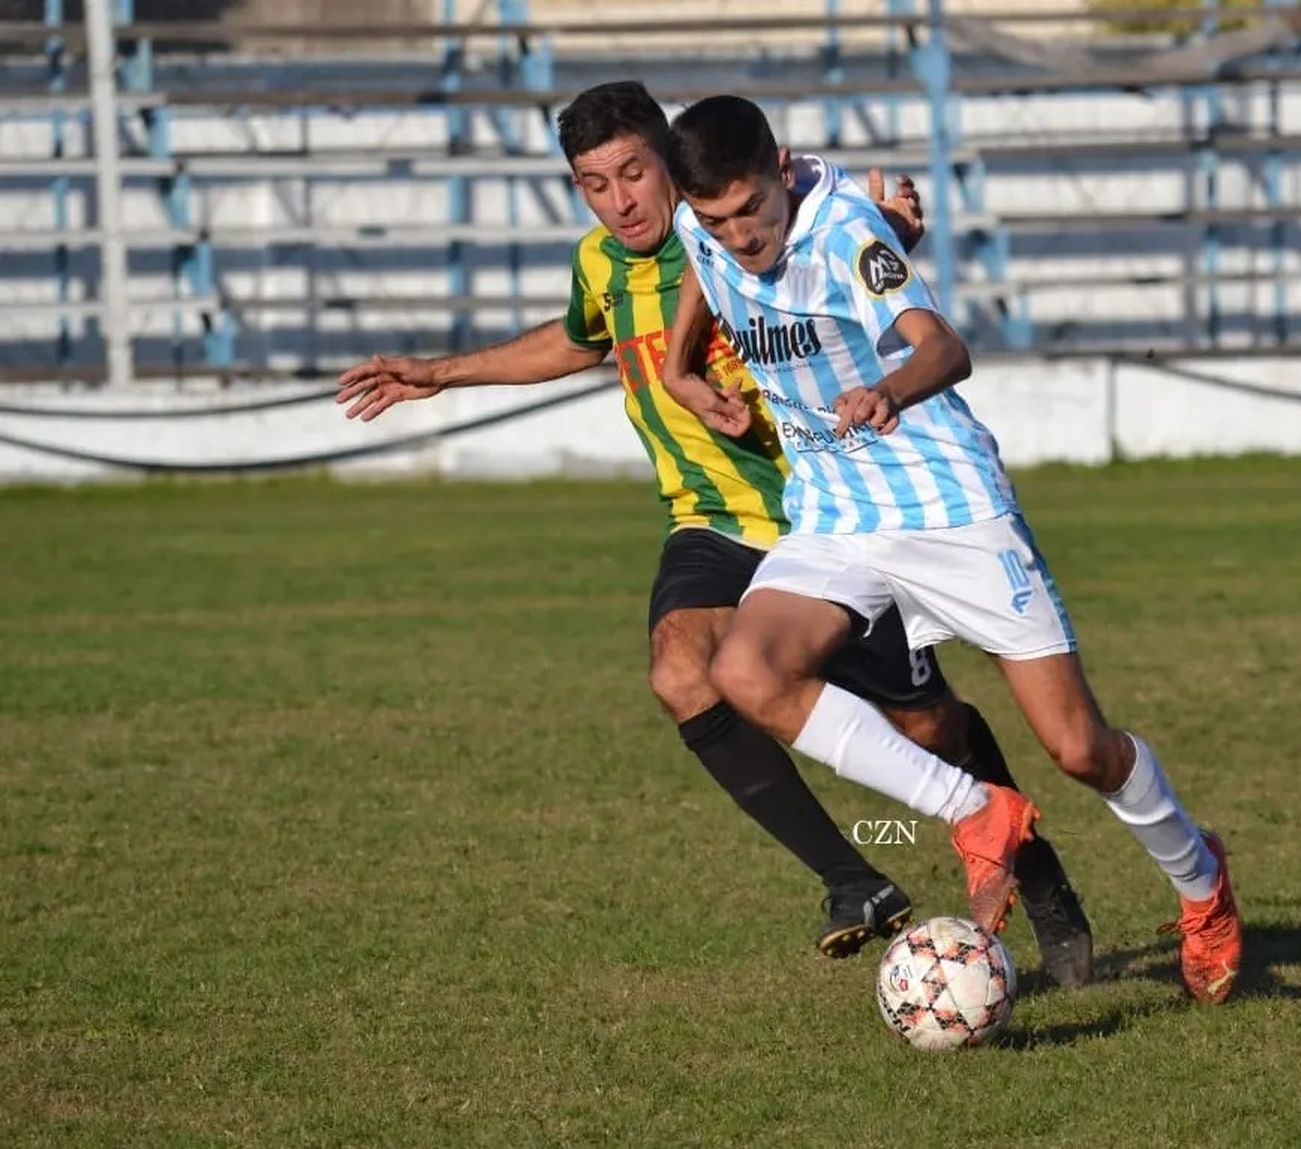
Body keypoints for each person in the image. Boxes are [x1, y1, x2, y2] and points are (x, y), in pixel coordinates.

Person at [335, 81, 1092, 984]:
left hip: (827, 522)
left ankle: (1045, 888)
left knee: (930, 726)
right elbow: (586, 339)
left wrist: (890, 238)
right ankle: (854, 879)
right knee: (678, 667)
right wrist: (443, 373)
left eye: (633, 173)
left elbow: (842, 272)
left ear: (674, 163)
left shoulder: (742, 246)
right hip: (709, 522)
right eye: (592, 184)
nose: (619, 201)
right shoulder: (602, 265)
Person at [661, 94, 1241, 1003]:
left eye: (753, 213)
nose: (740, 238)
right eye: (717, 219)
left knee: (1080, 747)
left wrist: (891, 386)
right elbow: (704, 266)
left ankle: (1202, 884)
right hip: (836, 511)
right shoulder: (706, 229)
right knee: (747, 672)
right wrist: (678, 364)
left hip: (948, 507)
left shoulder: (850, 231)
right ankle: (976, 808)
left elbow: (946, 345)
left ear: (783, 168)